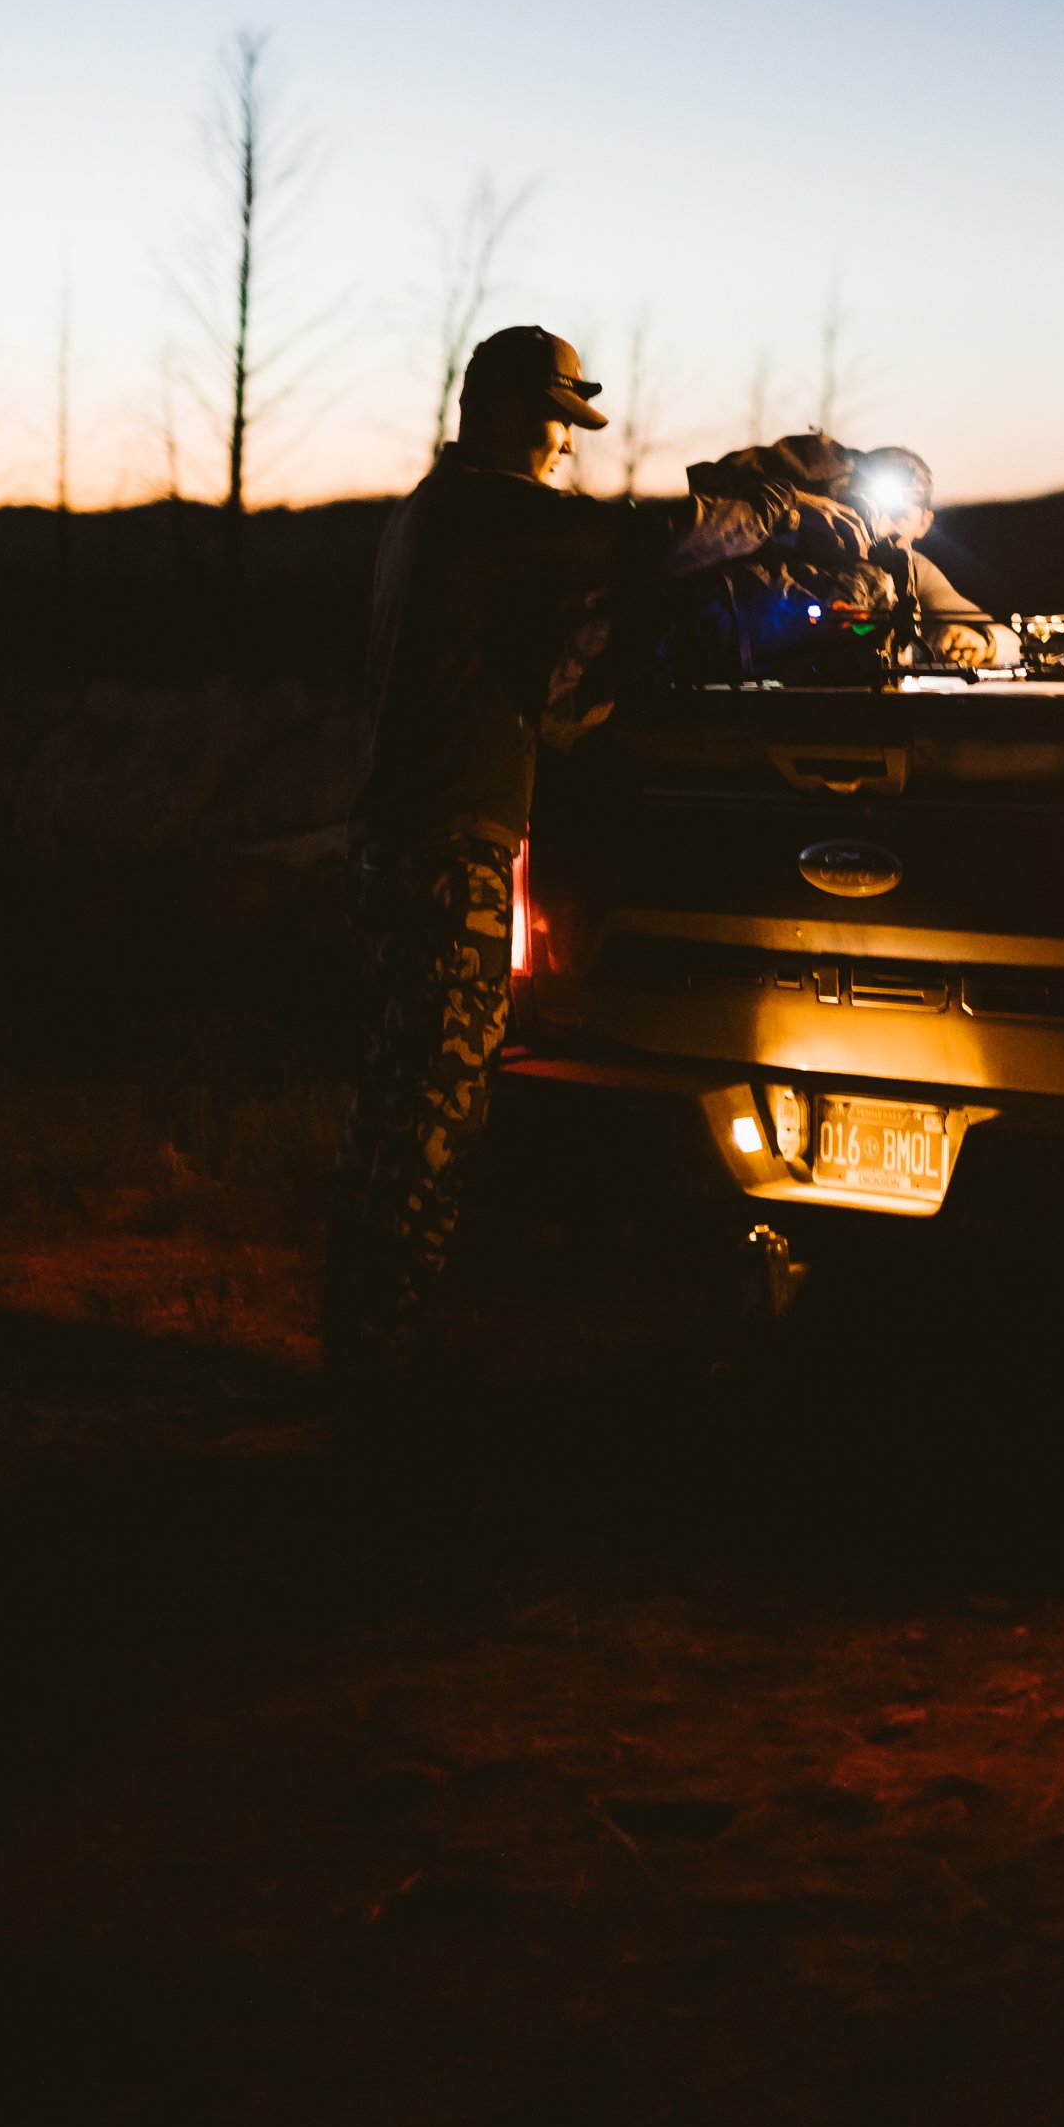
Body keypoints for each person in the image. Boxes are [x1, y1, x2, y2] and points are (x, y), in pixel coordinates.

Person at [328, 324, 804, 1398]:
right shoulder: (481, 507)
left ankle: (355, 1341)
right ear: (500, 412)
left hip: (400, 844)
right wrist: (766, 514)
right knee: (433, 1120)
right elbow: (638, 543)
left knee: (387, 1107)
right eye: (556, 422)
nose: (564, 446)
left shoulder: (427, 517)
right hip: (448, 850)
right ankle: (386, 1374)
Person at [852, 446, 1012, 667]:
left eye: (900, 515)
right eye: (868, 511)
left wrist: (982, 642)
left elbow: (1011, 642)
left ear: (924, 523)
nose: (881, 528)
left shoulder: (914, 569)